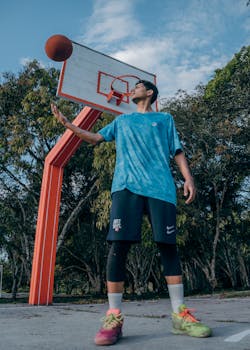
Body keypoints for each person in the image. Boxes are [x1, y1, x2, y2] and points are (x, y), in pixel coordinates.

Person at [51, 80, 212, 346]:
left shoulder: (164, 119)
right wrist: (68, 124)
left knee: (168, 247)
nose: (132, 89)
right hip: (126, 187)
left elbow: (178, 152)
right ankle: (113, 317)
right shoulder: (121, 122)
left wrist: (189, 179)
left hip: (160, 188)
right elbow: (94, 138)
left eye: (137, 86)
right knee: (118, 247)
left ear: (149, 93)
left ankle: (179, 316)